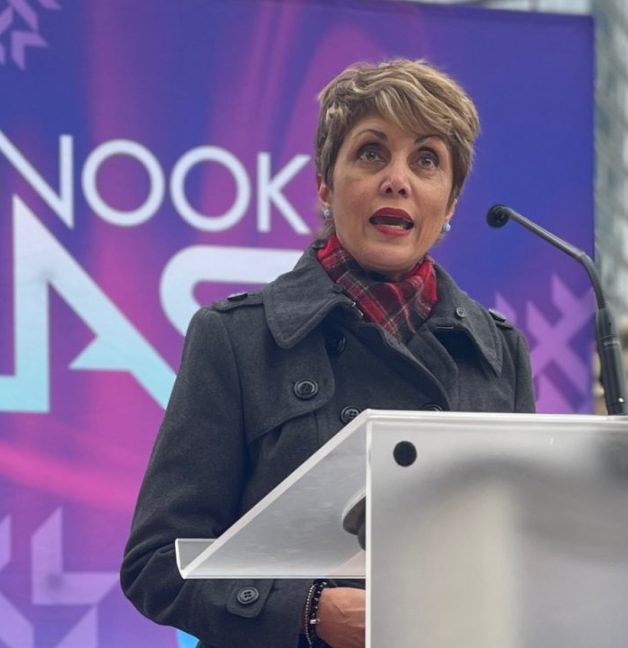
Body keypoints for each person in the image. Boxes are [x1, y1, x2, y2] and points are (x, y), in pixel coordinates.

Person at [120, 59, 536, 648]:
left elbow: (517, 557)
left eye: (426, 160)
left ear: (450, 204)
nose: (398, 179)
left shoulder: (500, 352)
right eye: (371, 153)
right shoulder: (234, 338)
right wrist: (307, 610)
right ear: (324, 184)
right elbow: (157, 566)